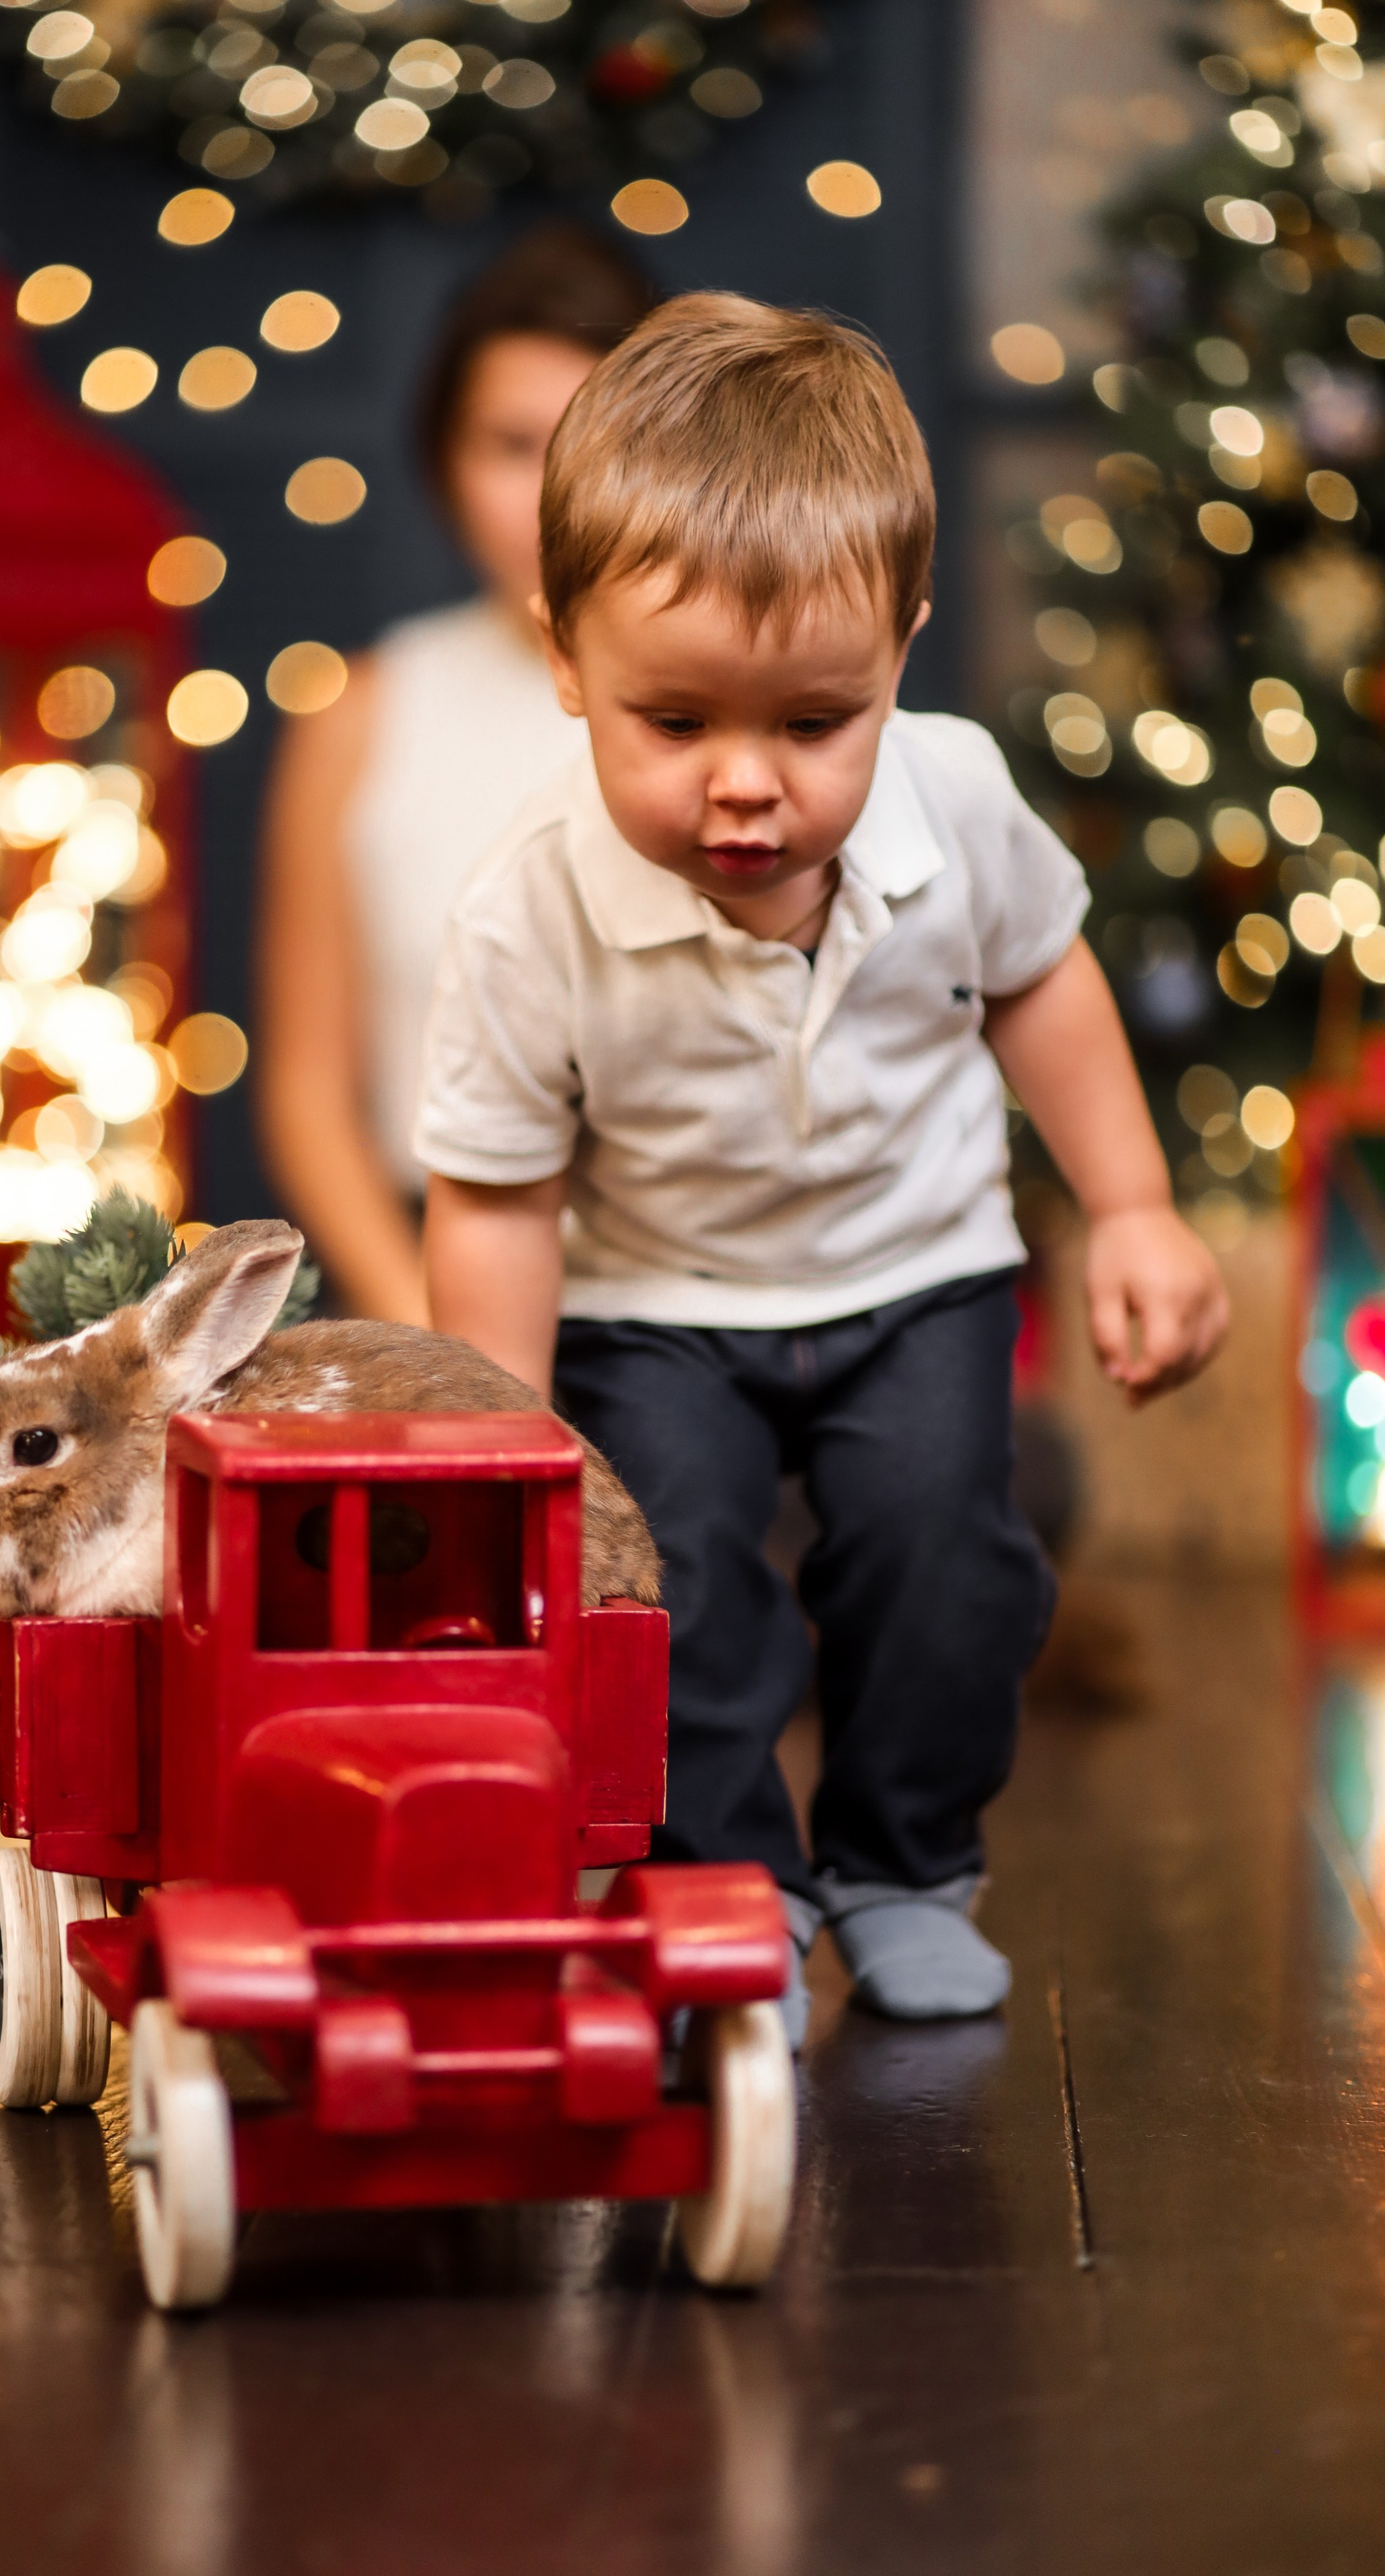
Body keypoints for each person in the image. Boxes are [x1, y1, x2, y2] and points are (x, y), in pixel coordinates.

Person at [415, 297, 1229, 2032]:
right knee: (677, 1585)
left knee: (949, 1558)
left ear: (901, 654)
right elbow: (495, 1189)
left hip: (917, 1270)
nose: (745, 789)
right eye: (677, 719)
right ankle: (726, 1897)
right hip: (658, 1303)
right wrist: (505, 1437)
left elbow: (1043, 982)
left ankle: (900, 1864)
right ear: (566, 660)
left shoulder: (956, 805)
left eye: (811, 723)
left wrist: (1136, 1208)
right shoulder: (529, 906)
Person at [254, 226, 656, 1325]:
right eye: (511, 445)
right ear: (443, 465)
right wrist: (432, 1337)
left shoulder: (753, 707)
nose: (551, 493)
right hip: (436, 1274)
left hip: (705, 1296)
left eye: (591, 443)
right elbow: (306, 1091)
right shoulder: (365, 714)